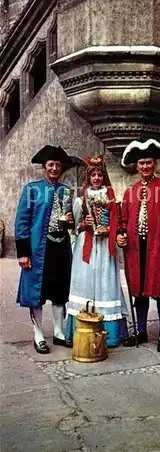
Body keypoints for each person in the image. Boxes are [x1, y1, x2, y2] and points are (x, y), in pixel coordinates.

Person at [117, 139, 160, 352]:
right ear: (136, 166)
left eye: (149, 162)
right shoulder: (131, 191)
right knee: (140, 291)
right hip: (136, 250)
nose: (145, 167)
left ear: (155, 164)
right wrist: (121, 235)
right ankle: (141, 331)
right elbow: (123, 220)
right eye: (141, 163)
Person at [15, 145, 74, 354]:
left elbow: (70, 222)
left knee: (59, 292)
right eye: (51, 164)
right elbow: (22, 221)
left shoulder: (66, 191)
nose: (54, 168)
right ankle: (38, 334)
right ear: (44, 167)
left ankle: (59, 331)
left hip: (61, 248)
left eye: (58, 165)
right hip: (38, 249)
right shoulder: (32, 189)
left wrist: (70, 221)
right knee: (36, 294)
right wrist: (23, 253)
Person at [65, 154, 128, 347]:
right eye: (93, 175)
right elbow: (74, 227)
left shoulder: (111, 197)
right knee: (84, 283)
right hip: (87, 245)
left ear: (103, 177)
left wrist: (111, 229)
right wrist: (84, 223)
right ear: (88, 177)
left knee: (106, 282)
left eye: (100, 175)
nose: (97, 179)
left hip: (105, 244)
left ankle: (110, 333)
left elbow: (118, 221)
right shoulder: (80, 200)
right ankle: (81, 327)